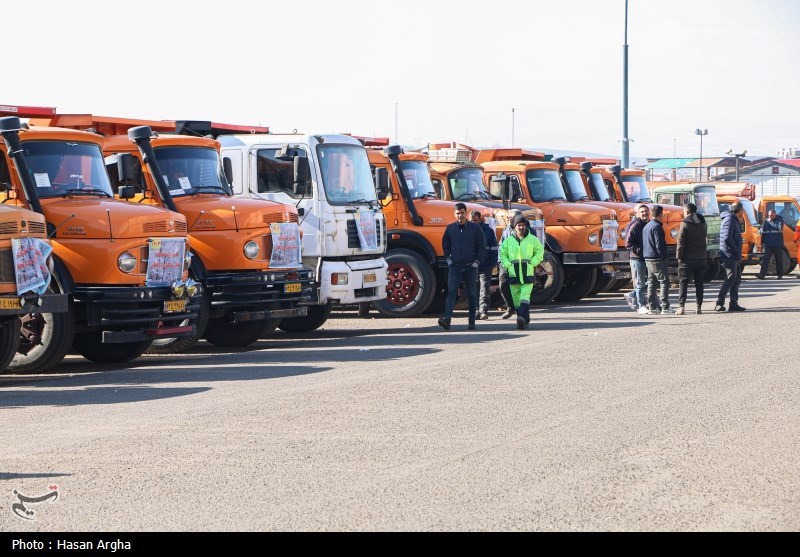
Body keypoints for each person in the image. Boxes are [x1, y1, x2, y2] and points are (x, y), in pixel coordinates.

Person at [439, 203, 485, 331]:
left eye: (462, 212)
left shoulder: (475, 229)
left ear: (466, 213)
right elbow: (445, 245)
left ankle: (471, 322)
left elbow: (481, 247)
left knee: (471, 294)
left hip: (471, 267)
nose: (460, 215)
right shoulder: (450, 229)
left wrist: (476, 261)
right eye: (458, 213)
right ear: (454, 214)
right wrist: (448, 260)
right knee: (451, 292)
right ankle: (447, 319)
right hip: (455, 267)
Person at [499, 213, 544, 330]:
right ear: (515, 226)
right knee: (517, 299)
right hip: (513, 274)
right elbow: (502, 254)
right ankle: (523, 320)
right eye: (518, 225)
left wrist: (533, 262)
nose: (521, 227)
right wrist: (508, 265)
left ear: (526, 226)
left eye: (523, 225)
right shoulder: (508, 241)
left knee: (525, 296)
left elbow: (539, 252)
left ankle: (522, 319)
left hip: (527, 273)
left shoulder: (533, 240)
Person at [675, 202, 707, 315]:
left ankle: (681, 307)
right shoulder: (703, 222)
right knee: (699, 283)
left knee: (683, 283)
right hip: (701, 257)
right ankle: (698, 307)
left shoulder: (685, 223)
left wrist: (679, 257)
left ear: (687, 211)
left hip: (687, 258)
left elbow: (680, 242)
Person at [642, 204, 674, 314]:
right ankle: (665, 306)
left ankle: (653, 307)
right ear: (661, 214)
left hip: (647, 258)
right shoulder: (657, 227)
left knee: (651, 282)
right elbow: (659, 245)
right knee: (664, 282)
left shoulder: (647, 226)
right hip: (657, 259)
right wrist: (664, 257)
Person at [715, 202, 746, 311]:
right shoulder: (730, 220)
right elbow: (727, 238)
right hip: (729, 255)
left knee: (736, 279)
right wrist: (735, 250)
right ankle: (719, 302)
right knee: (730, 278)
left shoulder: (734, 220)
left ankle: (733, 303)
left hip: (734, 255)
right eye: (743, 210)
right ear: (740, 210)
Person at [470, 210, 498, 320]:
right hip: (471, 266)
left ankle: (483, 311)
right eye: (472, 221)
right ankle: (476, 310)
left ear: (480, 219)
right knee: (473, 289)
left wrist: (493, 263)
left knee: (484, 288)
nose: (473, 223)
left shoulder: (488, 231)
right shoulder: (467, 231)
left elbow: (494, 248)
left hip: (485, 264)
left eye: (475, 221)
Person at [624, 204, 650, 314]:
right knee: (640, 282)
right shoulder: (634, 225)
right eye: (642, 212)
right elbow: (628, 243)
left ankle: (632, 294)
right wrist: (639, 251)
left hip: (648, 257)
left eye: (646, 211)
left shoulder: (650, 224)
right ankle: (641, 305)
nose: (645, 213)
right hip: (637, 258)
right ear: (637, 214)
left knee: (651, 281)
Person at [498, 209, 523, 319]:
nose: (509, 218)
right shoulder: (506, 229)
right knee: (503, 285)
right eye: (508, 217)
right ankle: (510, 307)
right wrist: (500, 260)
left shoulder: (527, 230)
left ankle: (521, 314)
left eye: (511, 217)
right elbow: (501, 245)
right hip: (506, 263)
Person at [755, 210, 786, 279]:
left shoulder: (780, 220)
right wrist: (762, 242)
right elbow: (764, 232)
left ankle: (780, 275)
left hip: (777, 244)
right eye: (769, 215)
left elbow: (779, 228)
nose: (770, 217)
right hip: (768, 243)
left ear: (775, 214)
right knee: (765, 259)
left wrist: (770, 222)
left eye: (771, 215)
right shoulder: (767, 221)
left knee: (778, 259)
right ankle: (762, 274)